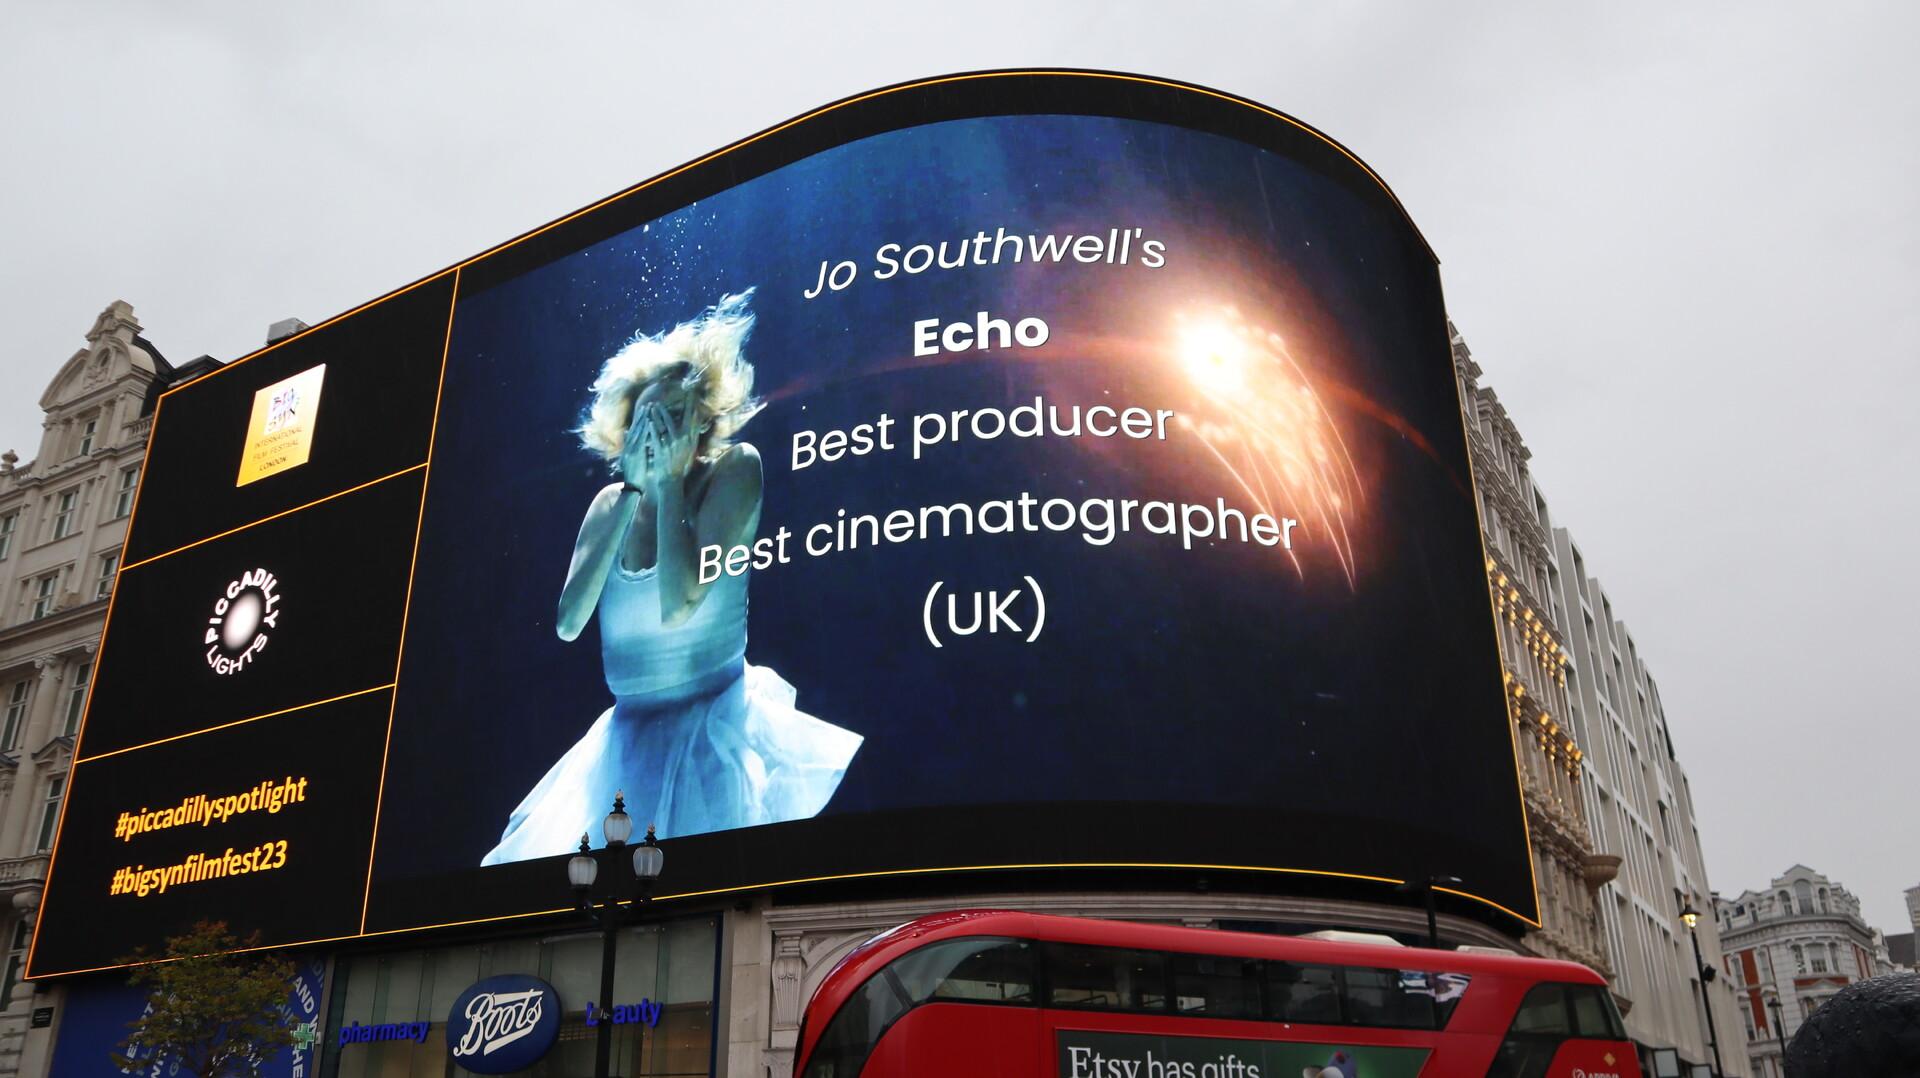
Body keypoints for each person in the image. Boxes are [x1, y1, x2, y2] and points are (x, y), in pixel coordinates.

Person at [483, 290, 861, 865]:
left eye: (675, 416)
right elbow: (567, 623)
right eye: (647, 420)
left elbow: (680, 601)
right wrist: (635, 489)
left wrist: (666, 484)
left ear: (703, 420)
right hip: (625, 743)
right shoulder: (610, 503)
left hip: (714, 728)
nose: (659, 433)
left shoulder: (736, 470)